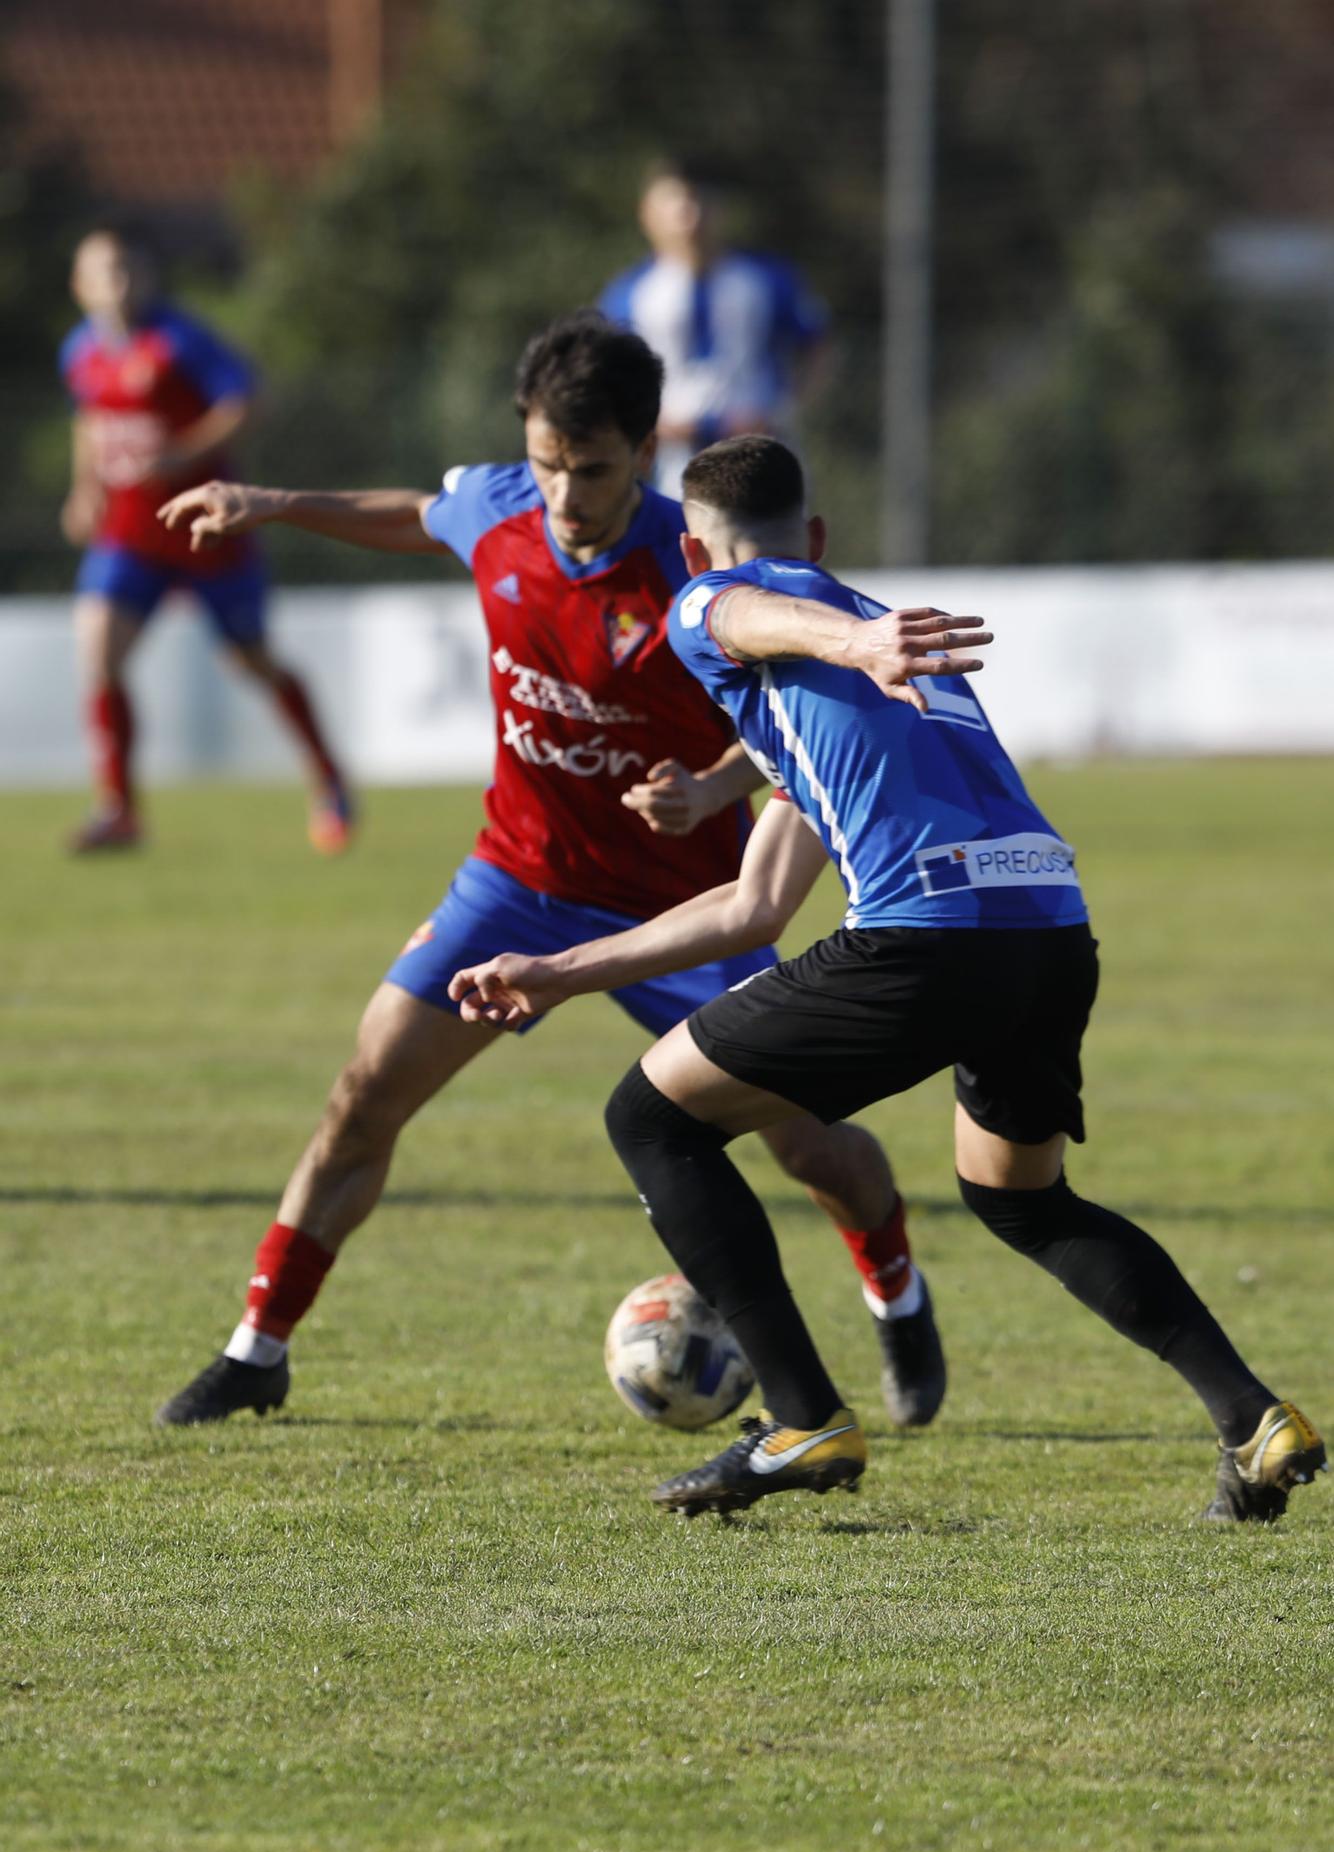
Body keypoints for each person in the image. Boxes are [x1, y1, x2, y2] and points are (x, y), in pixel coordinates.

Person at [449, 435, 1326, 1527]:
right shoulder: (865, 653)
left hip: (929, 936)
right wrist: (559, 972)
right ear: (812, 535)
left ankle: (802, 1415)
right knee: (1022, 1198)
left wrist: (852, 639)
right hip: (1050, 929)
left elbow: (729, 612)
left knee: (650, 1118)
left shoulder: (759, 614)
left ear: (689, 547)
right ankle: (1251, 1418)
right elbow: (752, 908)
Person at [151, 316, 942, 1428]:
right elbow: (421, 517)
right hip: (514, 880)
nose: (564, 496)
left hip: (686, 909)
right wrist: (272, 504)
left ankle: (895, 1290)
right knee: (361, 1097)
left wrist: (717, 784)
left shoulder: (702, 563)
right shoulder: (503, 513)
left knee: (807, 1141)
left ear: (646, 451)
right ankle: (257, 1347)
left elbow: (816, 693)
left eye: (593, 470)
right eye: (544, 465)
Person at [58, 226, 353, 855]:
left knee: (251, 660)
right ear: (80, 286)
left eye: (130, 268)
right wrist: (85, 489)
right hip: (130, 535)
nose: (120, 283)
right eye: (106, 271)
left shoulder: (179, 340)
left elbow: (247, 402)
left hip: (207, 531)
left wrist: (182, 454)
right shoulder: (79, 349)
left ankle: (328, 778)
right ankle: (118, 808)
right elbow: (88, 418)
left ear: (150, 276)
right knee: (97, 649)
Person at [600, 160, 828, 498]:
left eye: (700, 203)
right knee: (682, 543)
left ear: (721, 210)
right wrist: (645, 422)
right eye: (674, 204)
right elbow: (605, 370)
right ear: (647, 213)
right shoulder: (630, 292)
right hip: (672, 458)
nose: (689, 218)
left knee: (767, 542)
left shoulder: (767, 279)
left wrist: (784, 409)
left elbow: (817, 346)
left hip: (762, 447)